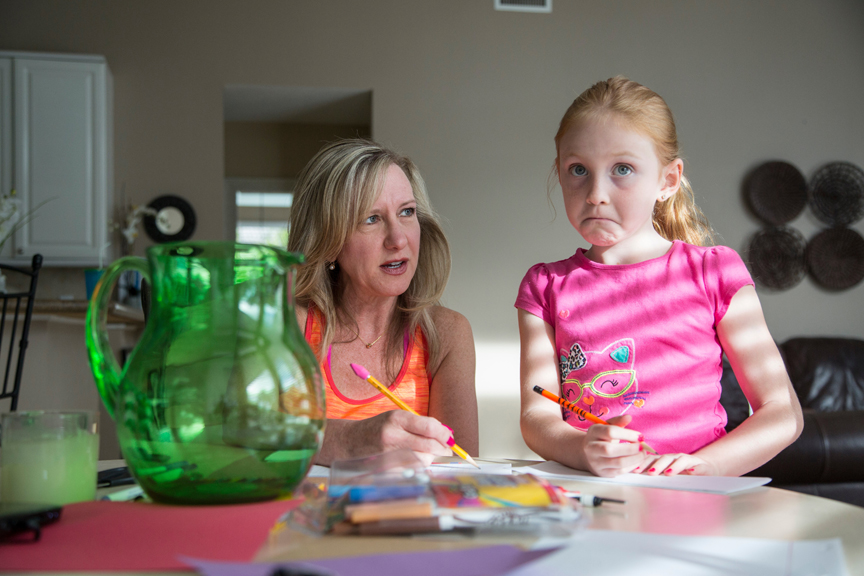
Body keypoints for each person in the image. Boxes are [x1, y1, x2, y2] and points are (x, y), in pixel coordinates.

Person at [515, 77, 803, 478]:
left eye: (622, 169)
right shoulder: (544, 286)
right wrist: (584, 448)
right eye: (578, 169)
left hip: (693, 502)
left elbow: (783, 414)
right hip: (593, 500)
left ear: (667, 181)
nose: (596, 192)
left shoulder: (713, 272)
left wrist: (703, 466)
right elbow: (535, 415)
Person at [287, 138, 478, 466]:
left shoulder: (448, 334)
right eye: (371, 219)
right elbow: (243, 437)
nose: (399, 239)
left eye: (407, 212)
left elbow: (461, 472)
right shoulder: (288, 324)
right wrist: (350, 440)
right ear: (329, 240)